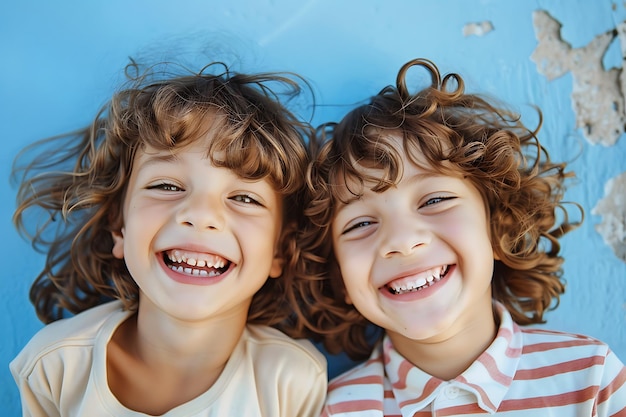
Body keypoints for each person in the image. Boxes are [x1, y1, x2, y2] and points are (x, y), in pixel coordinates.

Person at [302, 58, 626, 416]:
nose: (403, 240)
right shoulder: (333, 410)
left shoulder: (590, 379)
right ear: (339, 276)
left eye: (435, 200)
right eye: (359, 224)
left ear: (499, 227)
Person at [10, 59, 327, 416]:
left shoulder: (291, 381)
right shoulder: (56, 366)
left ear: (279, 250)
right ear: (119, 226)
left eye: (244, 198)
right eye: (166, 186)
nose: (201, 215)